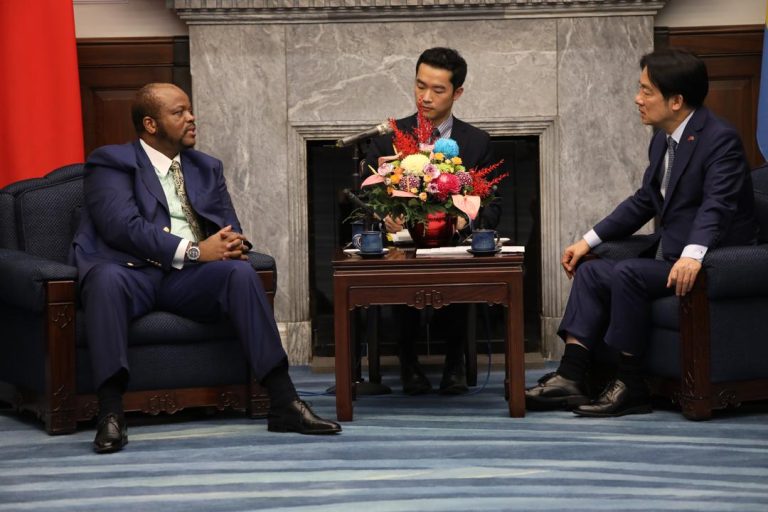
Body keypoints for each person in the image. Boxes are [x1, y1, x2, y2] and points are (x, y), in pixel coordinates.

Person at [71, 83, 341, 453]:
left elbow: (229, 226)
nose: (191, 117)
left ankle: (284, 401)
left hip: (186, 279)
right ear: (150, 124)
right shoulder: (111, 162)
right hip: (130, 272)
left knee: (240, 273)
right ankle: (110, 411)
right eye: (179, 112)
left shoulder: (205, 167)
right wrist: (196, 250)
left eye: (190, 109)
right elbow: (121, 227)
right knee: (104, 280)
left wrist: (232, 244)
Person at [525, 49, 757, 417]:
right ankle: (570, 377)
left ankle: (630, 385)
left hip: (713, 261)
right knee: (592, 270)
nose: (637, 98)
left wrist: (692, 255)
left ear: (676, 100)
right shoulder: (663, 139)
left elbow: (717, 205)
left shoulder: (719, 139)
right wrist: (587, 240)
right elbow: (645, 201)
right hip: (671, 256)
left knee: (629, 272)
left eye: (646, 91)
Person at [365, 47, 501, 395]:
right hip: (402, 247)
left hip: (453, 246)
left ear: (457, 93)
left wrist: (463, 222)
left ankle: (455, 363)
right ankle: (408, 364)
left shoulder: (477, 142)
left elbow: (493, 206)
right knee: (400, 271)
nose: (425, 97)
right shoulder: (388, 137)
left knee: (457, 272)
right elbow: (367, 198)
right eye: (420, 85)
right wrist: (384, 216)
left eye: (437, 90)